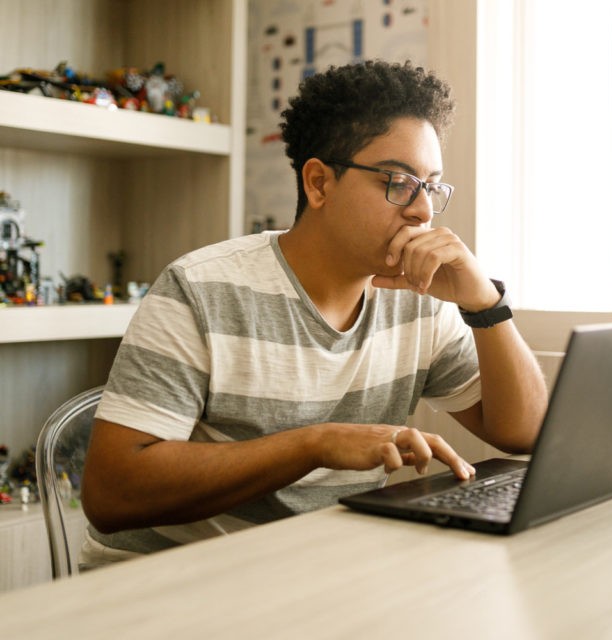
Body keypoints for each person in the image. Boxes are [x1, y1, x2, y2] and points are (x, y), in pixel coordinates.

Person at [80, 60, 547, 565]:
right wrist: (316, 444)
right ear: (319, 184)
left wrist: (485, 306)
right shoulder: (201, 289)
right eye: (399, 181)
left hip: (319, 571)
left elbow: (521, 432)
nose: (422, 211)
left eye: (430, 186)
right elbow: (112, 495)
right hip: (171, 586)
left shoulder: (418, 301)